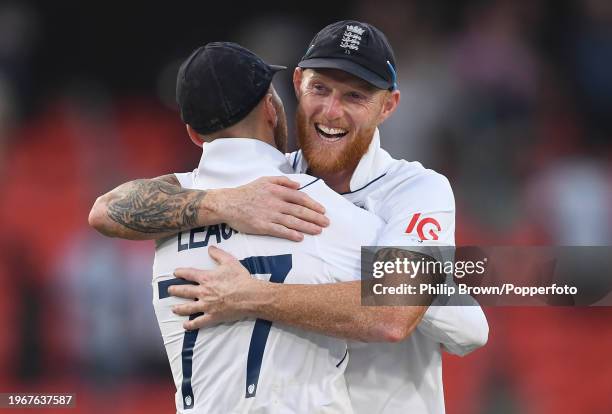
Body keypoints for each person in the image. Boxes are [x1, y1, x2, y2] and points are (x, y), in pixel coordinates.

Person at [90, 21, 489, 414]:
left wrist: (253, 297)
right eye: (320, 88)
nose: (332, 111)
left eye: (355, 96)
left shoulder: (415, 189)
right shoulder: (266, 183)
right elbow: (106, 209)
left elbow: (404, 315)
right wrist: (226, 204)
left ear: (388, 106)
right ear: (296, 84)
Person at [105, 41, 388, 413]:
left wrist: (220, 204)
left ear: (192, 133)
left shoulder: (170, 211)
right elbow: (447, 306)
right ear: (271, 107)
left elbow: (105, 210)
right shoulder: (316, 207)